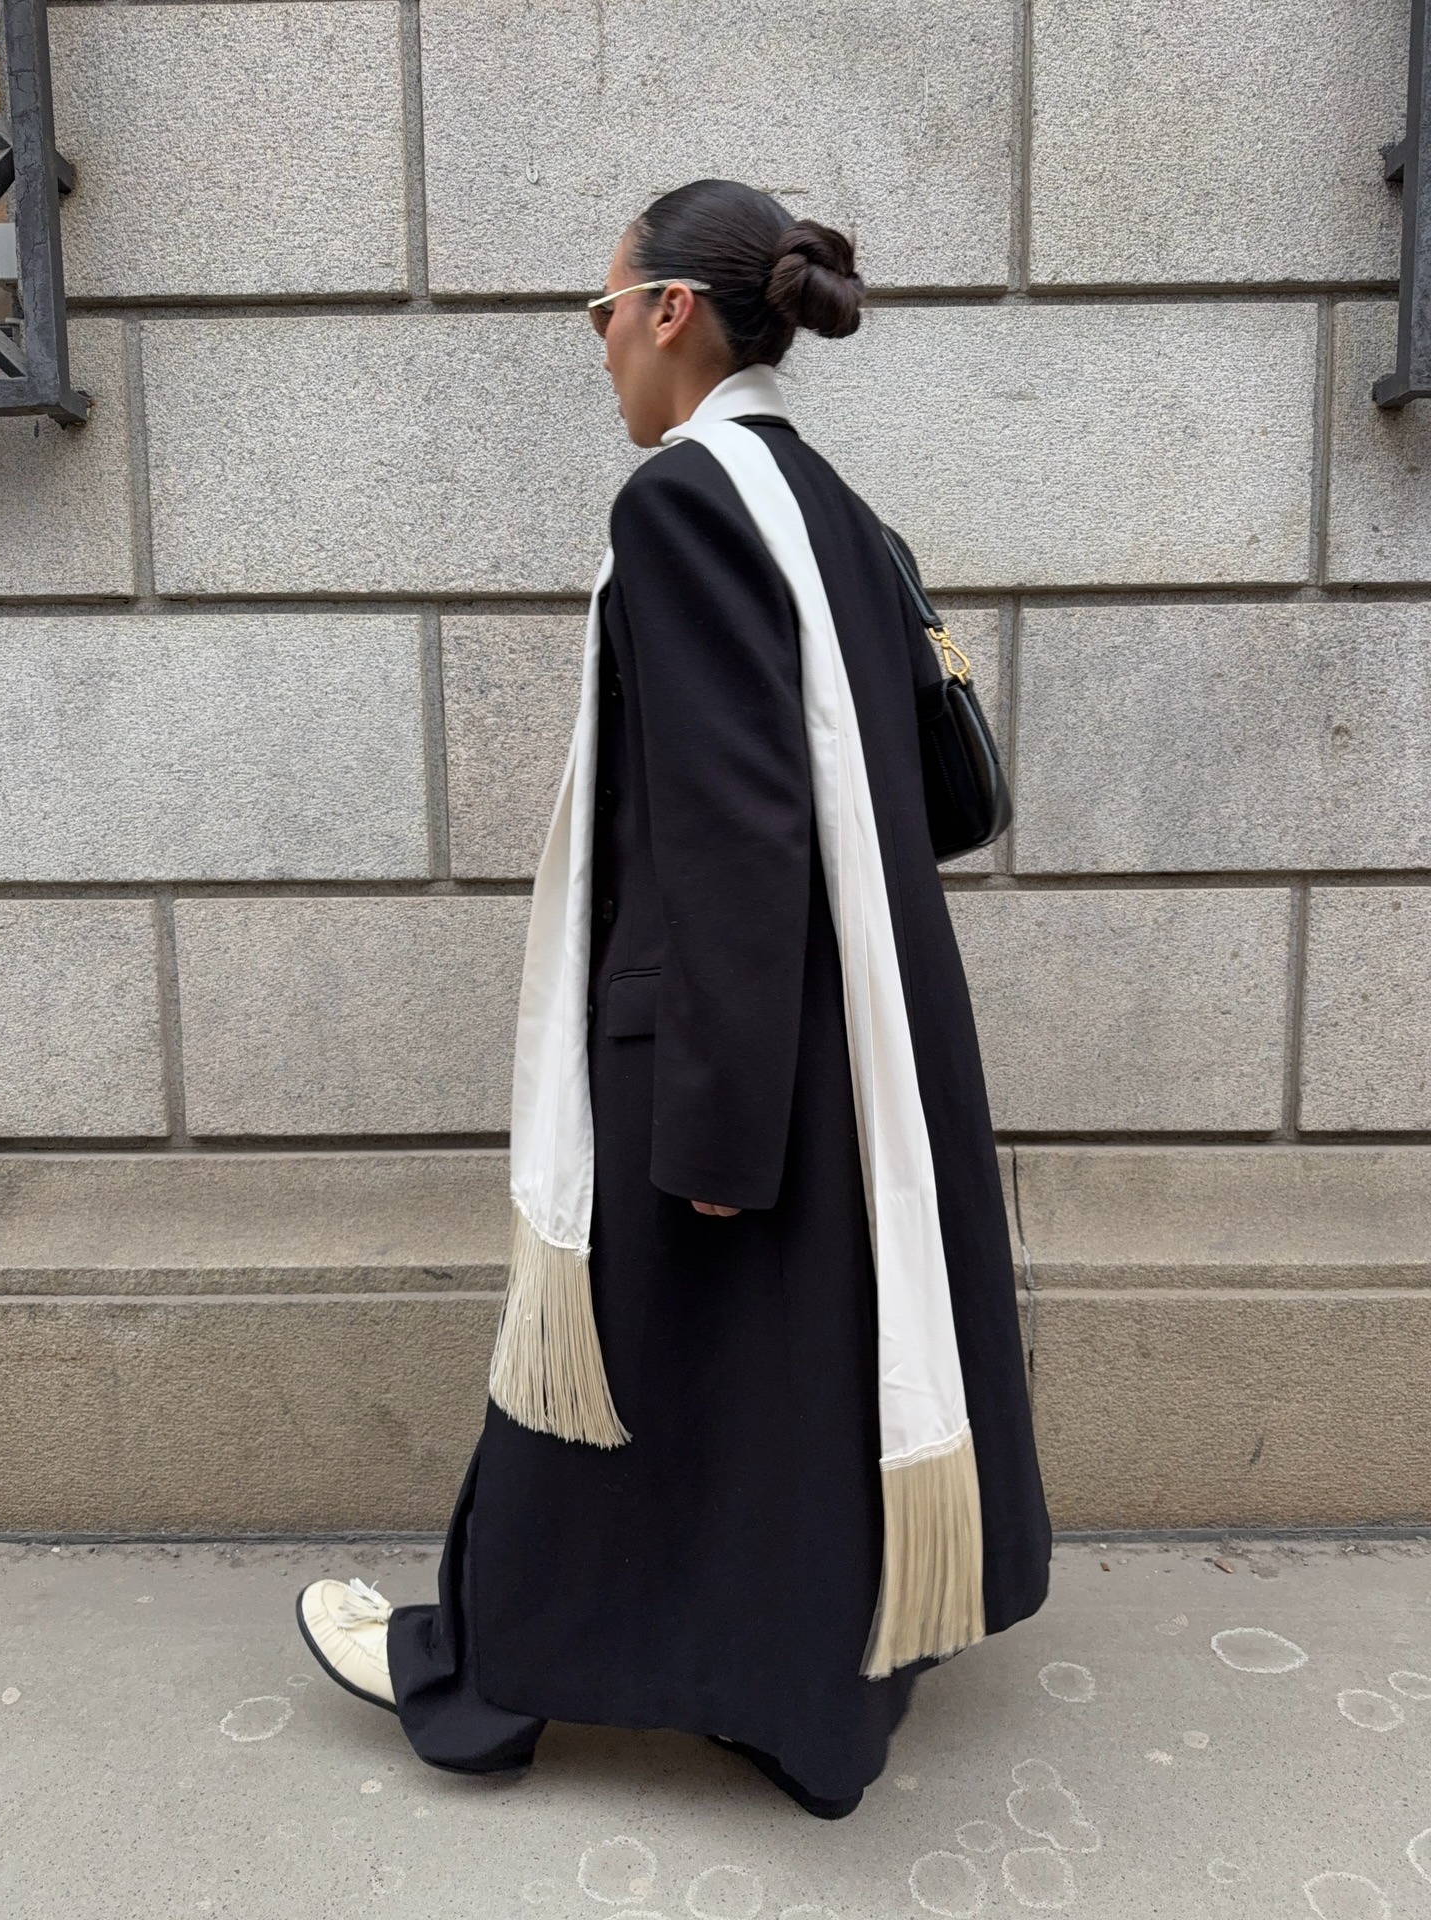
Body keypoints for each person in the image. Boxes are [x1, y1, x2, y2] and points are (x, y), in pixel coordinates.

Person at [296, 179, 1051, 1819]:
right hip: (843, 1039)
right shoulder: (834, 507)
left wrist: (714, 1113)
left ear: (670, 313)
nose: (597, 348)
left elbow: (732, 822)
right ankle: (808, 1716)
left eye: (599, 311)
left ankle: (487, 1680)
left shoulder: (687, 507)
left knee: (605, 1379)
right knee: (792, 1375)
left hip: (723, 1043)